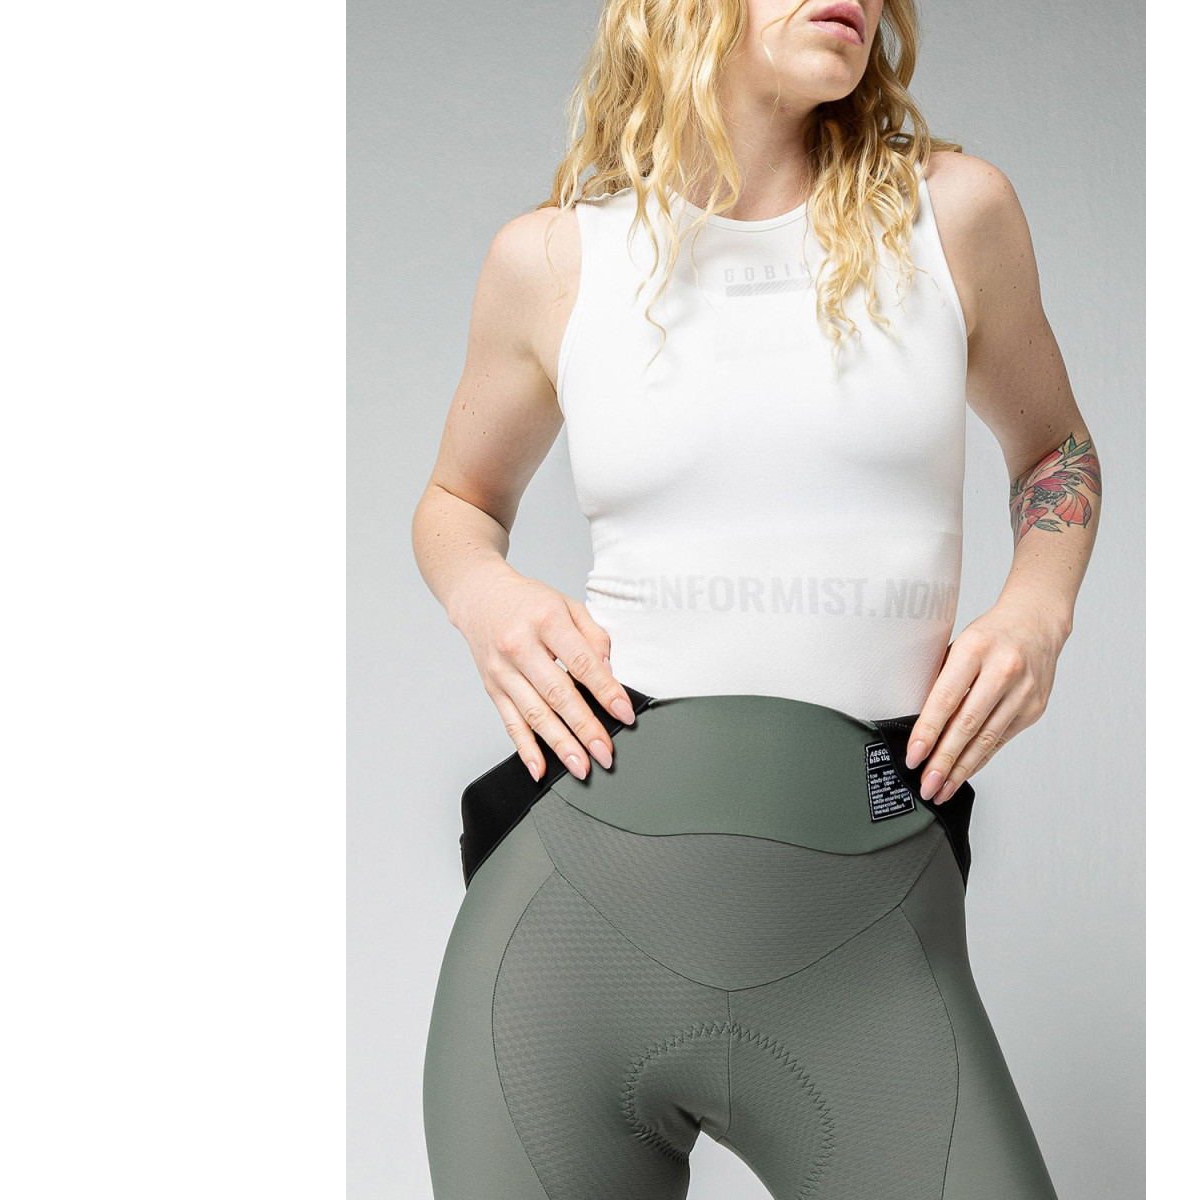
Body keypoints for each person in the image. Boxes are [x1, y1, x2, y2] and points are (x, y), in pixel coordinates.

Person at [409, 2, 1101, 1197]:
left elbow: (1055, 452)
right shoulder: (555, 260)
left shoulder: (954, 215)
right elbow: (456, 501)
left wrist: (1037, 610)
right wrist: (485, 595)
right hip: (562, 954)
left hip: (869, 938)